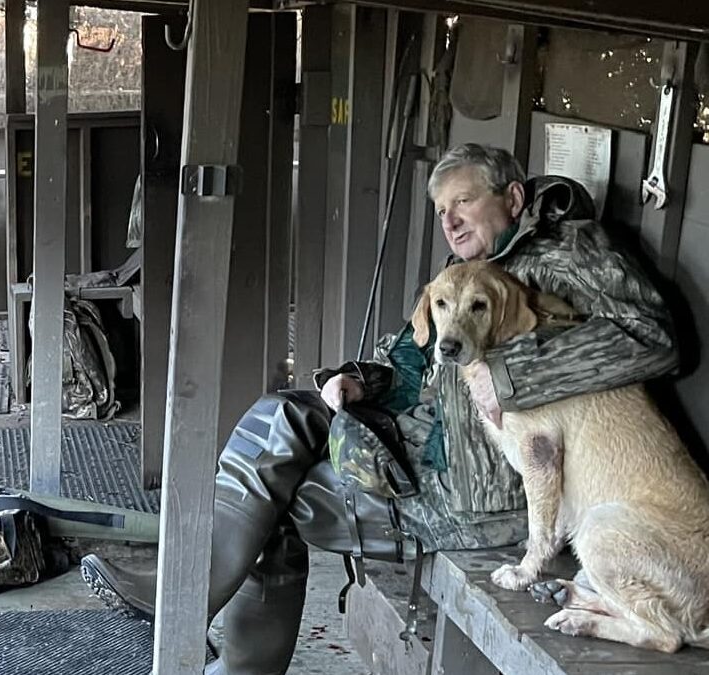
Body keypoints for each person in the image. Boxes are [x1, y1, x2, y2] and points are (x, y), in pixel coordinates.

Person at [80, 143, 678, 674]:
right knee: (282, 413)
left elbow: (654, 337)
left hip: (485, 491)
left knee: (280, 508)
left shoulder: (572, 252)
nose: (450, 221)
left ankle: (187, 607)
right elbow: (420, 353)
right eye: (442, 211)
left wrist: (512, 377)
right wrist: (360, 381)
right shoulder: (472, 270)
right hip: (431, 443)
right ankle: (184, 592)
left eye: (463, 202)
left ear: (513, 197)